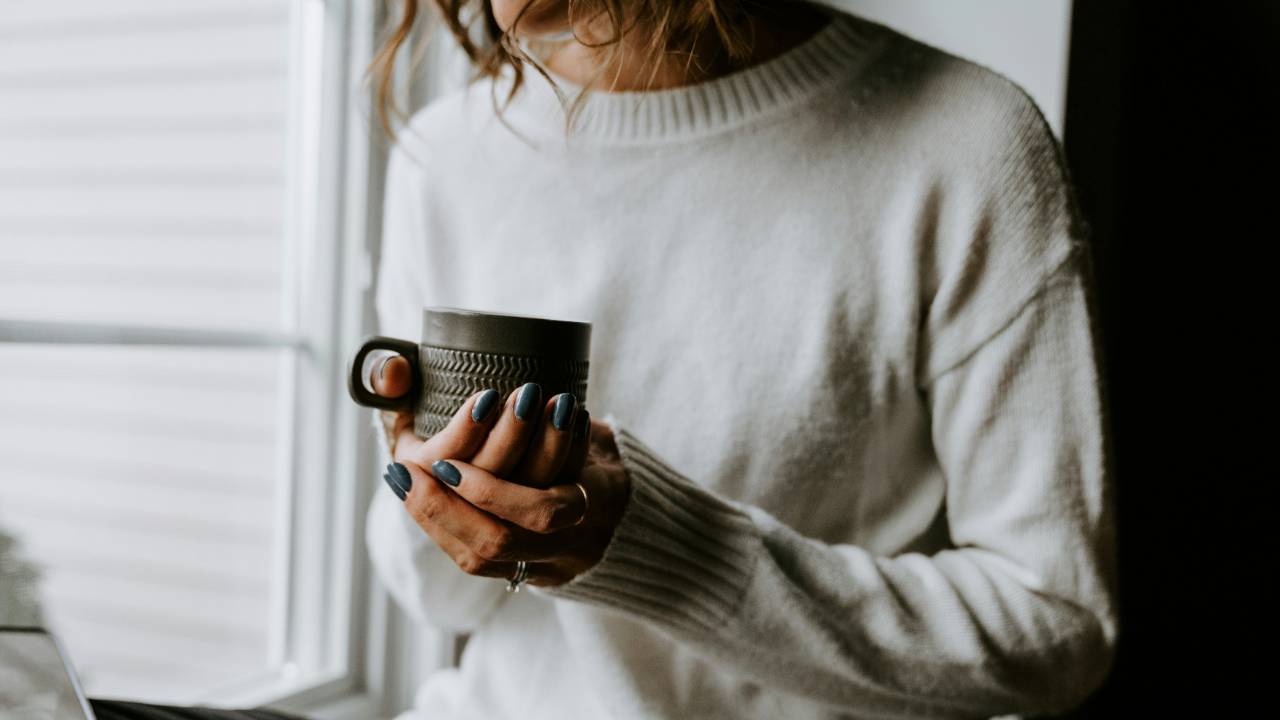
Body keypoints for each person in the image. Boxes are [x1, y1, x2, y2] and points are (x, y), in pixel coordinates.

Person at [92, 0, 1117, 717]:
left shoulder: (963, 143)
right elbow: (442, 601)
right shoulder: (448, 155)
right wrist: (436, 495)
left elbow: (1055, 630)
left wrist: (653, 552)